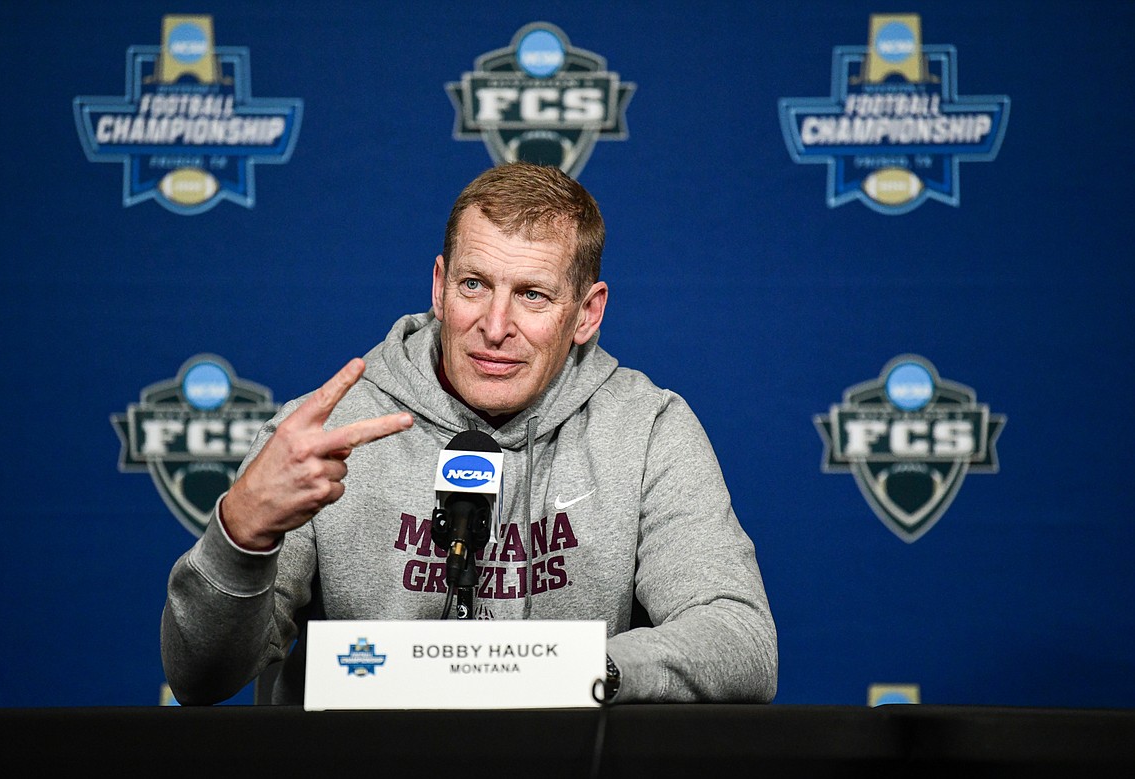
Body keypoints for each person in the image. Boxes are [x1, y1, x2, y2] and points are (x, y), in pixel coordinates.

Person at [161, 161, 778, 706]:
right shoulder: (324, 434)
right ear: (439, 285)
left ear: (586, 313)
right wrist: (240, 534)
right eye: (474, 285)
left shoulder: (647, 429)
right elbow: (200, 678)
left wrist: (576, 675)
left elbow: (738, 638)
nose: (494, 325)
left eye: (532, 295)